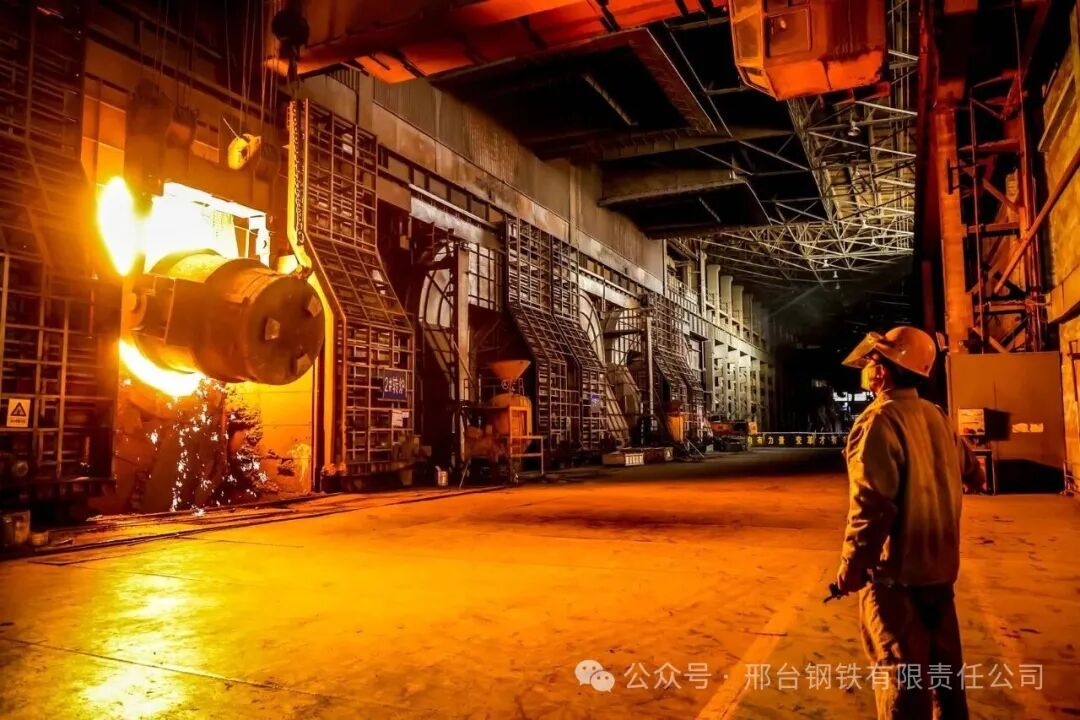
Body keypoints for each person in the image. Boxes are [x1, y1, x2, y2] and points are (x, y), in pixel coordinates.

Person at [835, 326, 985, 720]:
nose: (867, 368)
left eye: (872, 360)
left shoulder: (878, 421)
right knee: (946, 677)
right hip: (940, 573)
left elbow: (871, 505)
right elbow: (975, 472)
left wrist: (852, 565)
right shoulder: (936, 416)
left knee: (902, 678)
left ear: (883, 372)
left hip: (896, 578)